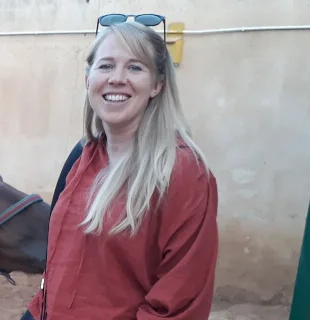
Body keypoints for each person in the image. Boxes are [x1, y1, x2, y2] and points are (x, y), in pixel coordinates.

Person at [21, 18, 220, 320]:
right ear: (88, 78)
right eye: (106, 66)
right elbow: (60, 265)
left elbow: (178, 306)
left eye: (135, 67)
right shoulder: (82, 157)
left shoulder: (182, 172)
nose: (117, 78)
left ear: (157, 85)